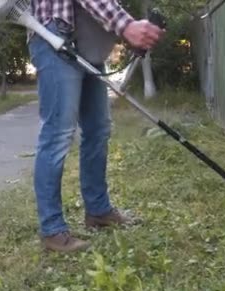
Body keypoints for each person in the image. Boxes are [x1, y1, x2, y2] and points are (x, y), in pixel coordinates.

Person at [28, 0, 164, 252]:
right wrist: (126, 25)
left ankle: (98, 211)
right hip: (53, 35)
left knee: (98, 129)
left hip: (87, 41)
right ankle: (52, 230)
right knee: (58, 134)